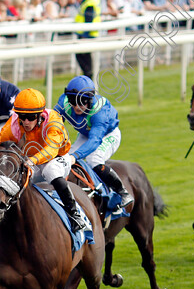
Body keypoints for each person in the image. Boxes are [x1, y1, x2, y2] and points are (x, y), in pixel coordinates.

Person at [0, 88, 89, 233]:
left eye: (31, 117)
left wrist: (33, 160)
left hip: (57, 158)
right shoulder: (11, 127)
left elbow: (52, 149)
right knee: (12, 175)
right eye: (22, 116)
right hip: (30, 161)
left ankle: (74, 214)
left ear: (40, 115)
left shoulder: (53, 121)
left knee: (50, 170)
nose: (26, 122)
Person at [54, 75, 134, 209]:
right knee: (63, 159)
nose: (77, 106)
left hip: (107, 135)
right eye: (73, 101)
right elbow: (52, 125)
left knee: (93, 159)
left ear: (90, 100)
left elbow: (95, 140)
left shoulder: (99, 112)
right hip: (86, 134)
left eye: (82, 101)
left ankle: (122, 192)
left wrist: (75, 156)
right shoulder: (63, 103)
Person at [75, 0, 100, 77]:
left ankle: (88, 75)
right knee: (84, 56)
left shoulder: (90, 1)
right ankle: (88, 75)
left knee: (82, 56)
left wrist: (85, 34)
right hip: (88, 32)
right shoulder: (91, 0)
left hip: (87, 33)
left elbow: (88, 19)